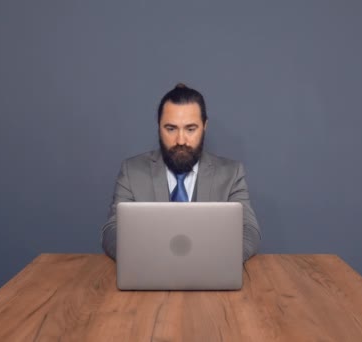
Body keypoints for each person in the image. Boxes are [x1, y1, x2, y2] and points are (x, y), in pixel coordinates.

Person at [101, 83, 261, 261]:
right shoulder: (131, 171)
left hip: (210, 276)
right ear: (158, 126)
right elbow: (112, 231)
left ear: (204, 126)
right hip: (151, 275)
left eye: (190, 129)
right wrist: (146, 259)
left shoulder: (231, 174)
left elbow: (250, 231)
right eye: (171, 129)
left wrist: (215, 262)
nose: (180, 140)